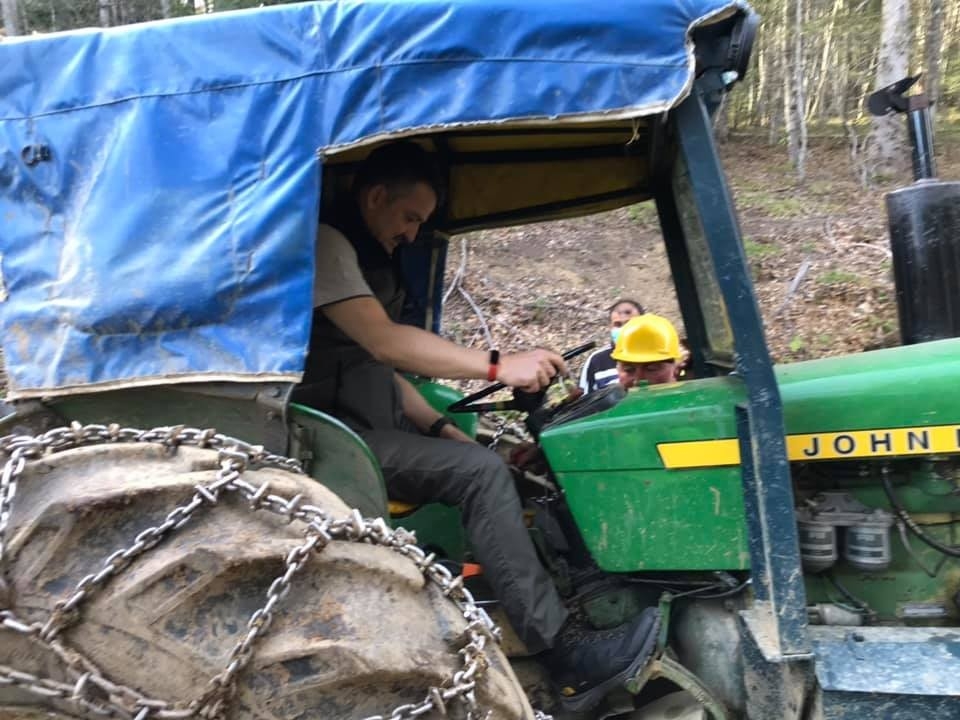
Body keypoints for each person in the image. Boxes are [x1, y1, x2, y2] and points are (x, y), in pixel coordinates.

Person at [294, 141, 659, 709]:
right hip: (331, 440)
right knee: (480, 473)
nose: (412, 233)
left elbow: (380, 371)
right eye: (409, 217)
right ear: (374, 196)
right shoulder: (326, 243)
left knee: (504, 464)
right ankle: (565, 655)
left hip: (369, 426)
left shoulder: (367, 257)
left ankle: (582, 596)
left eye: (421, 223)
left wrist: (443, 429)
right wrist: (498, 365)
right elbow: (385, 343)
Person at [578, 298, 645, 393]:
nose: (624, 329)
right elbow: (587, 399)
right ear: (610, 327)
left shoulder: (658, 355)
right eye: (618, 324)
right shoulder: (597, 360)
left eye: (629, 323)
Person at [611, 314, 683, 389]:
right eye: (628, 370)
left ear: (676, 369)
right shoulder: (611, 395)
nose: (638, 380)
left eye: (652, 369)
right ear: (618, 369)